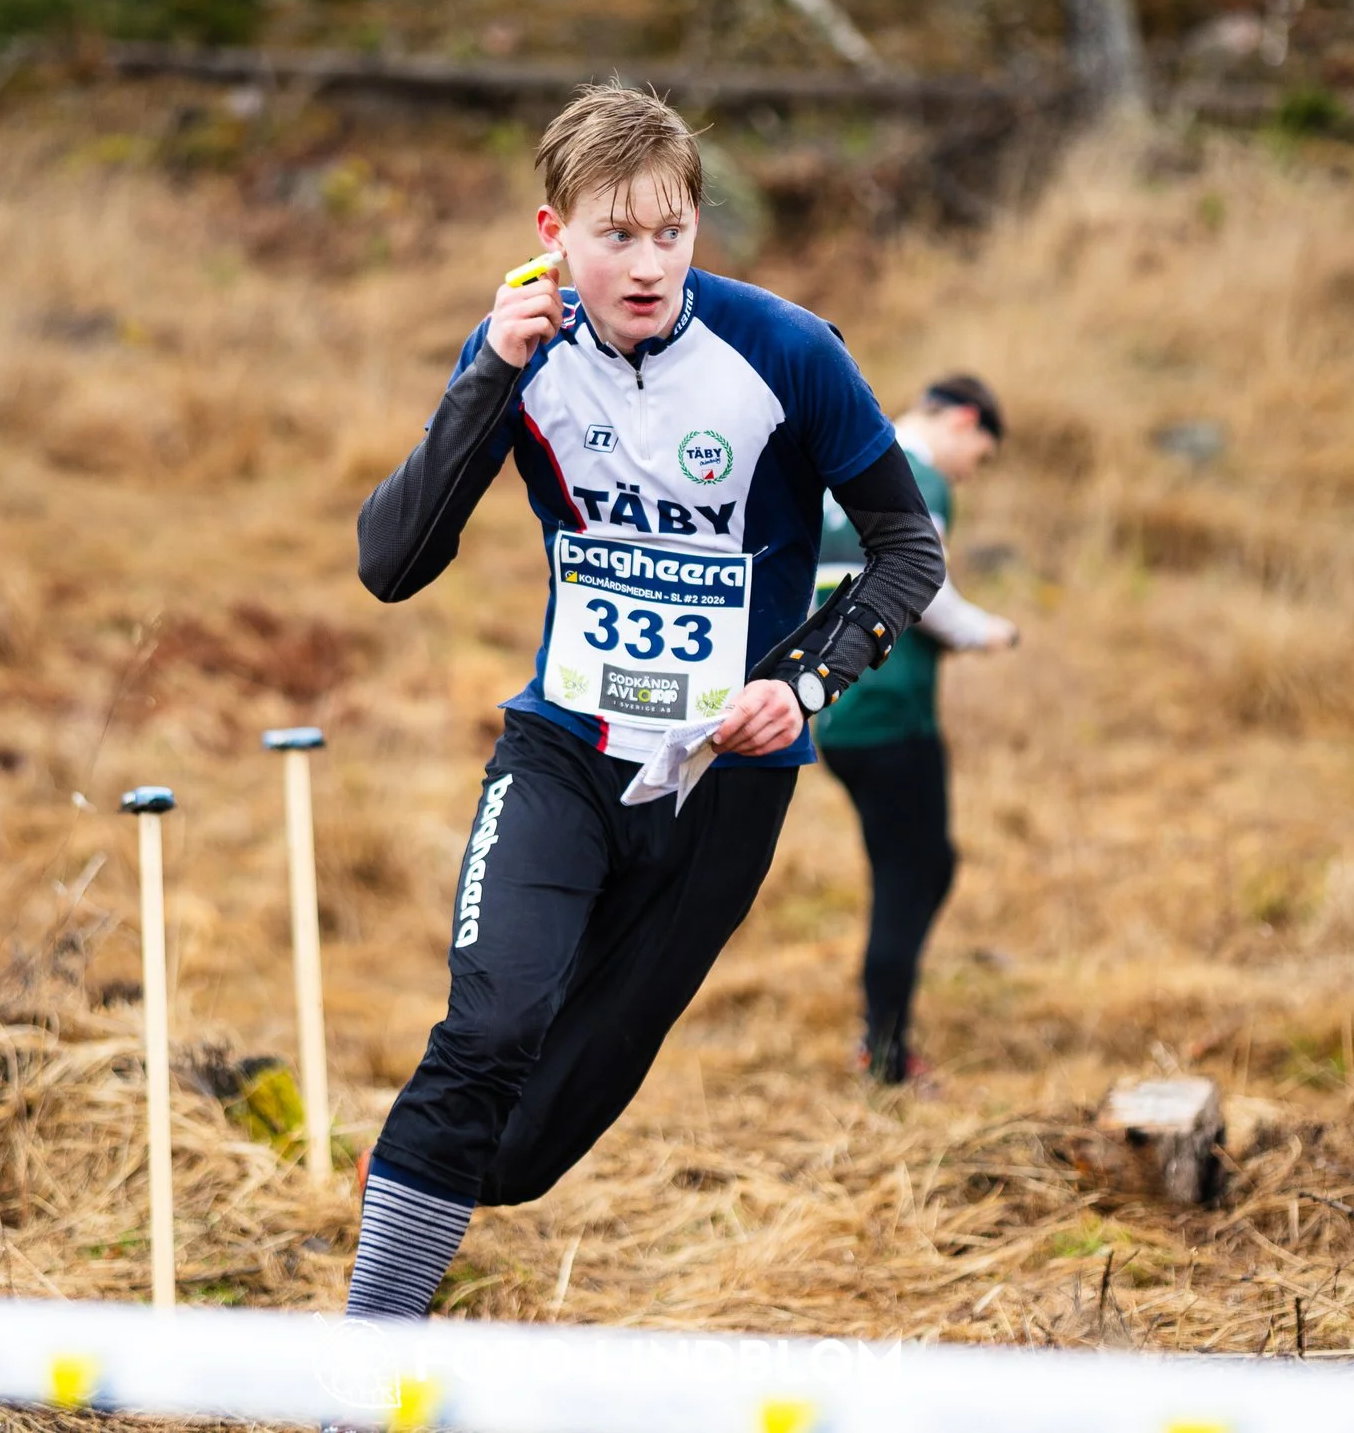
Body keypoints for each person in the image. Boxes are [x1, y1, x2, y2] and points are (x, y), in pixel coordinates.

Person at [344, 84, 944, 1320]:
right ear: (551, 229)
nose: (648, 263)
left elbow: (906, 550)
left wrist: (804, 680)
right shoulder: (517, 345)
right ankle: (360, 1375)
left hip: (721, 786)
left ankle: (442, 1181)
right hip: (562, 743)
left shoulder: (784, 350)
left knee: (528, 1141)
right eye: (615, 234)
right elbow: (390, 564)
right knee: (489, 1027)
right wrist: (491, 376)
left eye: (670, 232)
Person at [813, 375, 1018, 1086]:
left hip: (831, 706)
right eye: (980, 454)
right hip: (891, 710)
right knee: (913, 873)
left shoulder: (842, 465)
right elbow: (921, 584)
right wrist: (988, 632)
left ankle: (885, 1033)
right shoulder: (919, 478)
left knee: (919, 866)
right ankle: (886, 1052)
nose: (970, 471)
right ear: (964, 421)